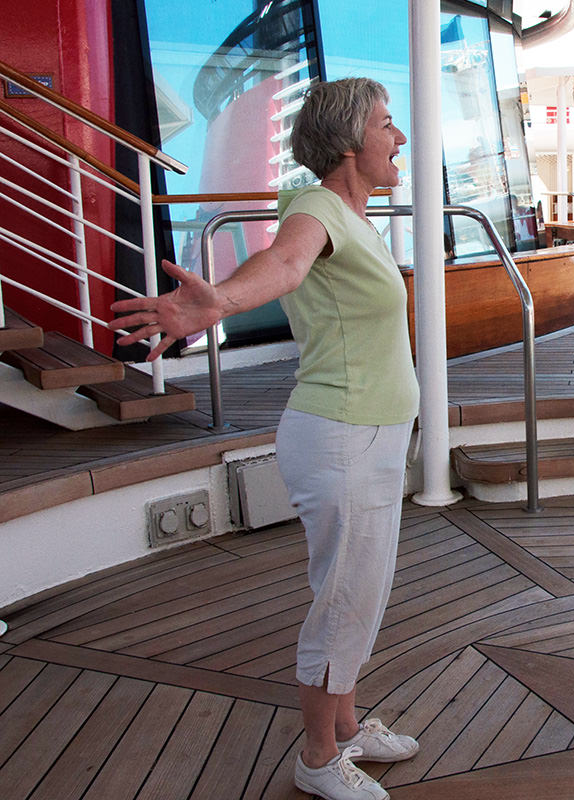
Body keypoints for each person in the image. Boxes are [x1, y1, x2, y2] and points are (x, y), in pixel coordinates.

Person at [110, 78, 421, 800]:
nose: (398, 137)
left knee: (357, 592)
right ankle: (316, 759)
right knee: (344, 599)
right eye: (386, 124)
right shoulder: (316, 208)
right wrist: (219, 301)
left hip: (367, 432)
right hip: (344, 434)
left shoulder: (351, 212)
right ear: (349, 142)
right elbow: (282, 266)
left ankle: (345, 730)